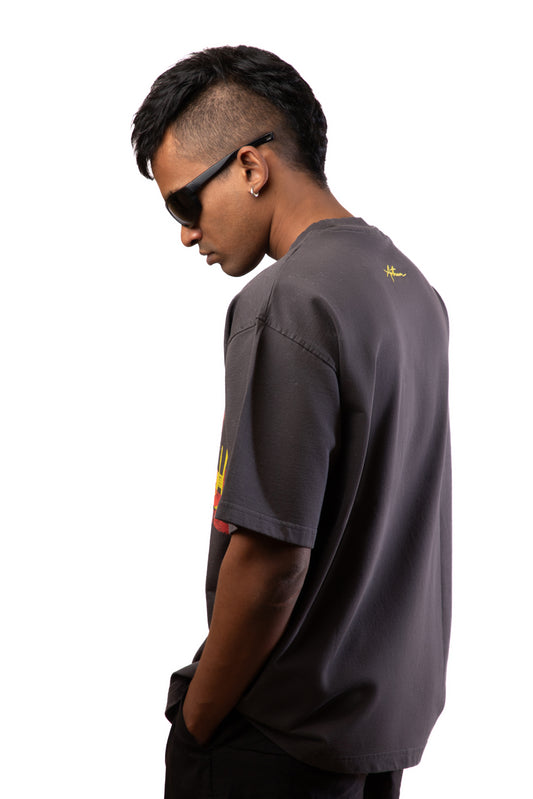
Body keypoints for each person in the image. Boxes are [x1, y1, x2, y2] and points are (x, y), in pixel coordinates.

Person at [131, 45, 452, 799]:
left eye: (185, 204)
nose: (186, 234)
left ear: (251, 166)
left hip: (275, 739)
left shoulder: (285, 301)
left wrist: (197, 721)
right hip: (374, 738)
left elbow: (272, 561)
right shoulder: (411, 287)